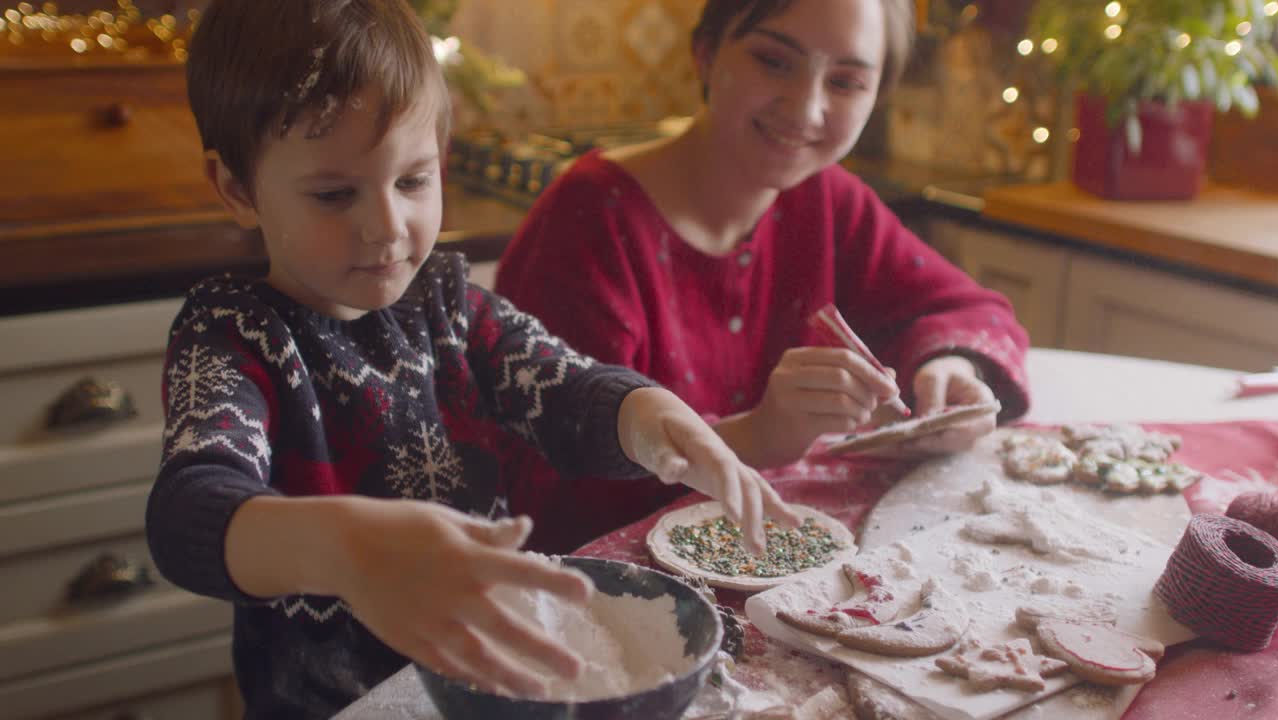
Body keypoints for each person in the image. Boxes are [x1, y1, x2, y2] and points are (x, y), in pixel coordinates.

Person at [144, 1, 799, 717]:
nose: (388, 227)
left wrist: (653, 418)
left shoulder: (449, 308)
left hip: (486, 685)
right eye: (335, 194)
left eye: (413, 180)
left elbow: (570, 394)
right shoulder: (235, 336)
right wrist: (341, 550)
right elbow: (190, 511)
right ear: (238, 188)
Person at [496, 0, 1030, 550]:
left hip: (777, 561)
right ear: (704, 54)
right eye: (774, 61)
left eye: (846, 82)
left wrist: (950, 365)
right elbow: (550, 490)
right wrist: (757, 435)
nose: (805, 107)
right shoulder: (591, 217)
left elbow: (971, 312)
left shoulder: (827, 197)